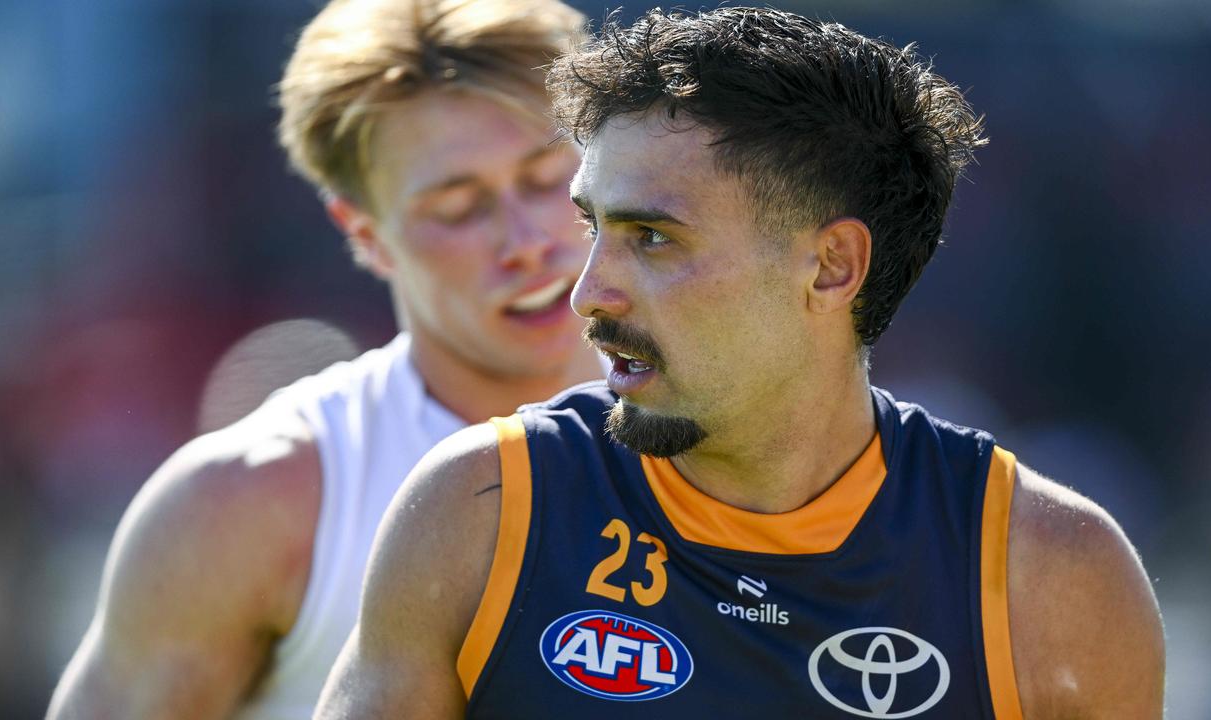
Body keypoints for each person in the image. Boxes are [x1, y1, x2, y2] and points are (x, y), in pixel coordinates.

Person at [315, 7, 1166, 719]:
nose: (586, 295)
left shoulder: (1050, 578)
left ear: (832, 266)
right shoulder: (480, 510)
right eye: (593, 228)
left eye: (652, 237)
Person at [47, 0, 599, 717]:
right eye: (459, 207)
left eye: (546, 176)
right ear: (363, 233)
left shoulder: (755, 430)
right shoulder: (255, 501)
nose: (525, 239)